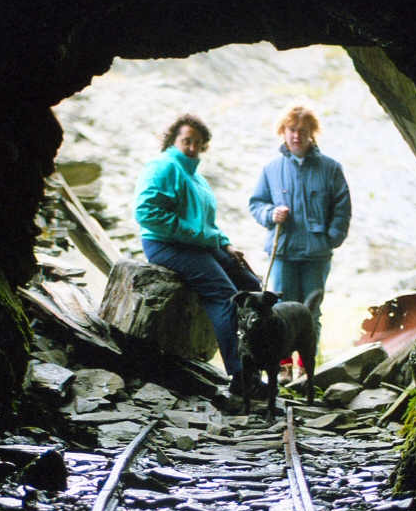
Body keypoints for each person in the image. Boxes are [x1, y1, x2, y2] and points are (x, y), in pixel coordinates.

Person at [134, 114, 262, 394]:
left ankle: (256, 368)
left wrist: (226, 245)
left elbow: (208, 223)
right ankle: (242, 378)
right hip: (166, 245)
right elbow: (146, 212)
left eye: (198, 142)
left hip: (198, 244)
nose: (192, 147)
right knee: (226, 297)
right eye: (186, 141)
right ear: (173, 140)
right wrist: (191, 234)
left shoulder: (196, 177)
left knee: (251, 287)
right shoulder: (163, 166)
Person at [249, 103, 351, 378]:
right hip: (282, 252)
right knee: (279, 311)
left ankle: (307, 368)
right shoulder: (271, 168)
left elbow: (342, 208)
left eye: (302, 130)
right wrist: (271, 214)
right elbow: (256, 203)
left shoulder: (330, 168)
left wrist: (331, 239)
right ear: (283, 132)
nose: (296, 136)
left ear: (312, 133)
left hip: (317, 253)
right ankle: (283, 366)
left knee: (311, 312)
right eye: (291, 129)